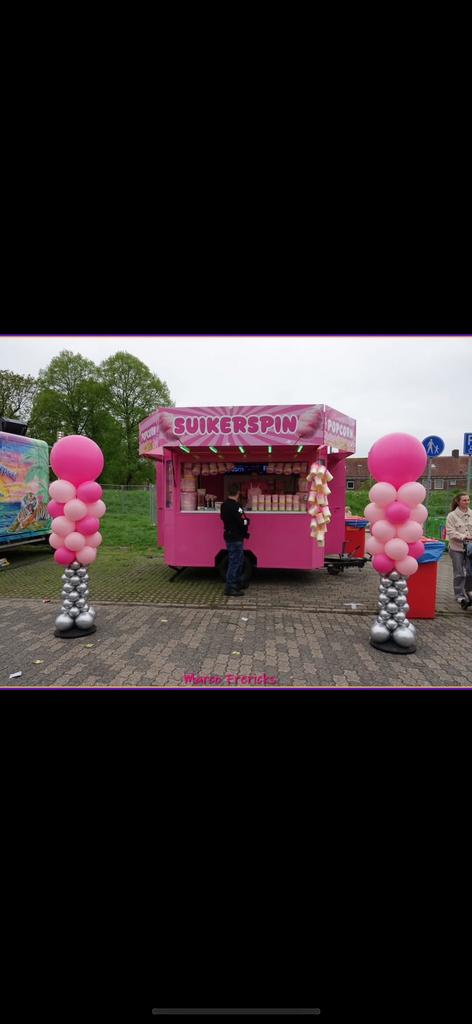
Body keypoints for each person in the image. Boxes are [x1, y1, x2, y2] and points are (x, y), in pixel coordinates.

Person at [220, 482, 250, 596]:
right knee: (235, 563)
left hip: (228, 535)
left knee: (237, 560)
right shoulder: (238, 507)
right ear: (238, 493)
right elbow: (244, 520)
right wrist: (248, 522)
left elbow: (222, 518)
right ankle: (230, 588)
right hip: (237, 537)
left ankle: (237, 583)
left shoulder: (224, 505)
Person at [445, 493, 472, 609]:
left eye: (468, 500)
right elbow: (450, 532)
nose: (467, 502)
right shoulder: (451, 516)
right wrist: (464, 537)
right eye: (464, 500)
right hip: (457, 548)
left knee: (470, 572)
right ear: (458, 502)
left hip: (470, 548)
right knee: (459, 572)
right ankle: (459, 595)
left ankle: (469, 592)